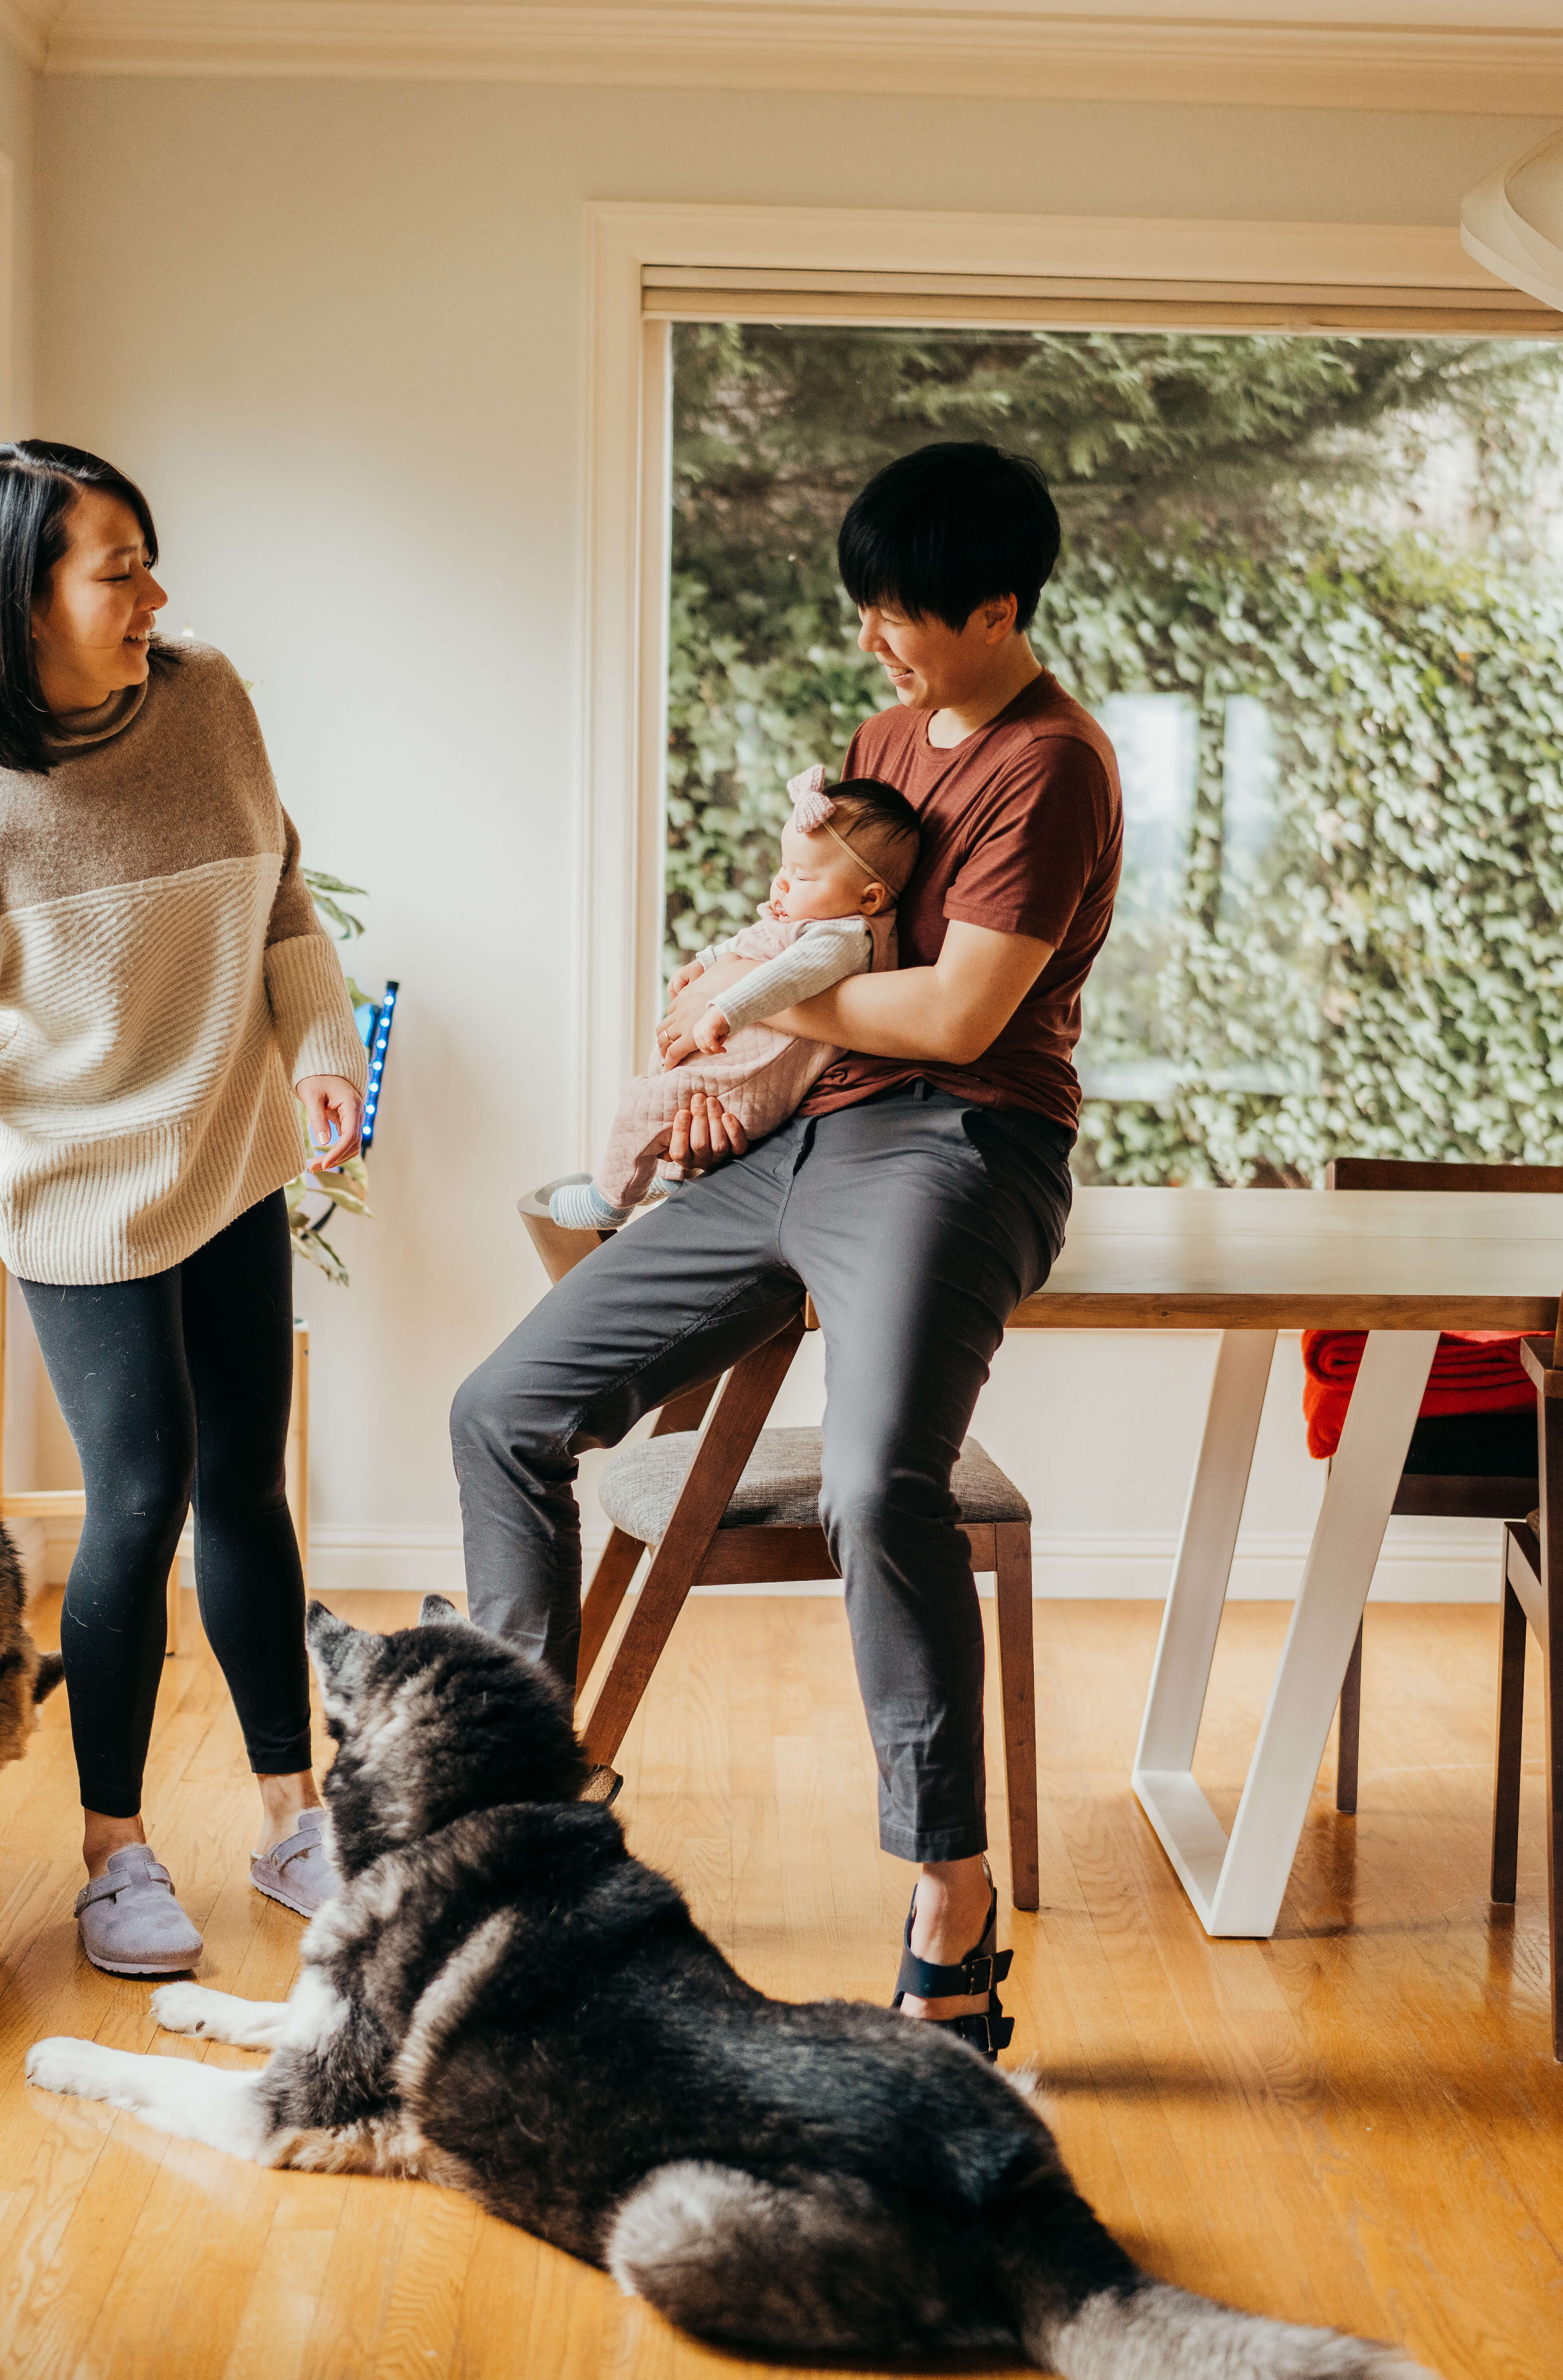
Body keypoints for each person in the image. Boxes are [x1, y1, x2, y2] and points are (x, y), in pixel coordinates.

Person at [453, 440, 1121, 2055]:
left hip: (967, 1142)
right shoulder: (891, 734)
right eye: (867, 608)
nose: (875, 641)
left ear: (999, 607)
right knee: (504, 1411)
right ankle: (533, 1812)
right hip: (816, 1126)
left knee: (880, 1480)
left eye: (902, 613)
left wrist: (753, 987)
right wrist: (755, 1044)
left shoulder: (1054, 765)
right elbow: (846, 943)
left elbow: (960, 1011)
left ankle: (949, 1897)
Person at [0, 440, 369, 1978]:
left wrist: (316, 1052)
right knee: (145, 1489)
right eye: (118, 570)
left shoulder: (210, 698)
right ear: (16, 602)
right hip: (83, 1199)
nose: (154, 595)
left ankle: (295, 1818)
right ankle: (115, 1856)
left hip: (228, 1159)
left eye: (147, 560)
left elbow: (285, 897)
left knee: (247, 1480)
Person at [548, 768, 920, 1230]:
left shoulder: (844, 939)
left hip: (747, 1078)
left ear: (869, 899)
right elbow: (748, 941)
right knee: (663, 1076)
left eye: (802, 876)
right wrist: (703, 966)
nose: (781, 883)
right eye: (784, 867)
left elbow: (785, 978)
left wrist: (724, 1006)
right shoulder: (813, 916)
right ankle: (666, 1174)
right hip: (731, 1063)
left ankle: (608, 1201)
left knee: (642, 1105)